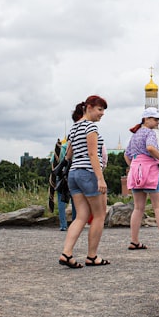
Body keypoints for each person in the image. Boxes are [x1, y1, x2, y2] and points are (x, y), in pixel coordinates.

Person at [59, 95, 110, 268]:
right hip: (88, 173)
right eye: (99, 109)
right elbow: (92, 154)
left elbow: (68, 155)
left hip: (74, 175)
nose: (102, 113)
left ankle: (67, 252)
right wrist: (100, 178)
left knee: (81, 216)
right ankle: (92, 256)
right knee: (99, 215)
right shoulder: (90, 127)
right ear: (89, 107)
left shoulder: (74, 128)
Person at [125, 107, 159, 251]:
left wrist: (134, 165)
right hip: (150, 171)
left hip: (136, 172)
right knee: (158, 206)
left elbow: (126, 154)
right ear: (146, 119)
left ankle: (134, 240)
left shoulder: (135, 134)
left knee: (138, 208)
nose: (158, 122)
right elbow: (150, 148)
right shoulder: (150, 133)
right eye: (156, 119)